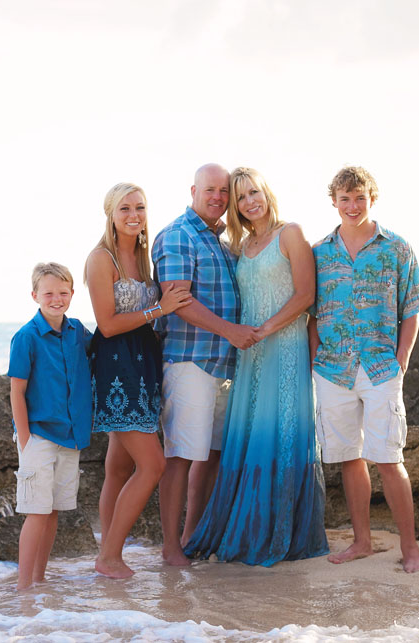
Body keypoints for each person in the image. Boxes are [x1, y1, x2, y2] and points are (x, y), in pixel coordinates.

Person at [184, 167, 329, 566]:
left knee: (280, 430)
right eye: (241, 196)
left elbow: (305, 295)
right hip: (248, 353)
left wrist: (264, 330)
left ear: (267, 193)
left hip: (283, 347)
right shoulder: (241, 245)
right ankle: (241, 528)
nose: (250, 201)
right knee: (247, 435)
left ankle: (279, 532)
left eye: (255, 192)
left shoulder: (291, 233)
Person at [309, 166, 419, 573]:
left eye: (359, 197)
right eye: (345, 199)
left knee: (389, 458)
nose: (352, 206)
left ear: (371, 199)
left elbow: (412, 309)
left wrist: (402, 360)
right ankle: (362, 542)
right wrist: (314, 361)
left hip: (381, 367)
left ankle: (411, 549)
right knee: (349, 457)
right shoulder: (319, 252)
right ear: (334, 202)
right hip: (333, 370)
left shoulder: (396, 248)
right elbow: (309, 313)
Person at [152, 163, 258, 566]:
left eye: (224, 192)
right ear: (194, 189)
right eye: (210, 189)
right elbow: (177, 298)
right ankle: (170, 547)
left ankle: (192, 534)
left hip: (223, 366)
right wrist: (230, 330)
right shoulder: (178, 235)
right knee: (180, 456)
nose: (218, 197)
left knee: (211, 453)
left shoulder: (221, 240)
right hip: (188, 362)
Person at [85, 183, 192, 578]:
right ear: (110, 214)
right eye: (125, 208)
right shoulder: (101, 259)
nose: (134, 215)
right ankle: (109, 556)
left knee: (118, 467)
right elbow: (108, 325)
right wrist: (159, 309)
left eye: (140, 207)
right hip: (117, 368)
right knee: (153, 465)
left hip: (146, 364)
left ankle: (108, 549)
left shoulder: (144, 258)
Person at [7, 262, 92, 590]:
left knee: (54, 510)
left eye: (63, 292)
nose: (56, 298)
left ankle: (39, 580)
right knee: (36, 512)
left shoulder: (78, 333)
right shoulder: (26, 337)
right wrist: (25, 441)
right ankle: (23, 588)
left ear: (72, 294)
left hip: (69, 437)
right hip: (38, 436)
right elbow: (17, 390)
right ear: (35, 295)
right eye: (49, 293)